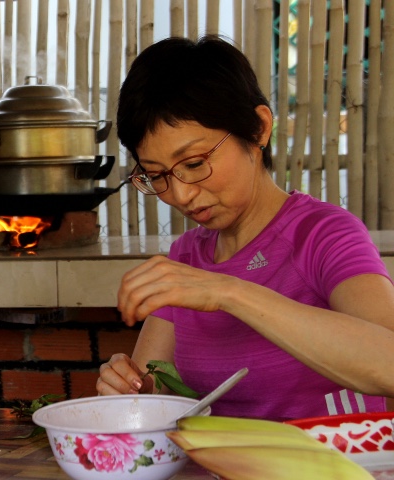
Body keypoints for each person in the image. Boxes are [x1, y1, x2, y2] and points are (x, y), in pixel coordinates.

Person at [96, 35, 394, 421]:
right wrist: (133, 389)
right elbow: (156, 393)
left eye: (194, 162)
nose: (183, 194)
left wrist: (228, 291)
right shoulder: (186, 258)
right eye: (157, 175)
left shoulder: (323, 235)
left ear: (258, 129)